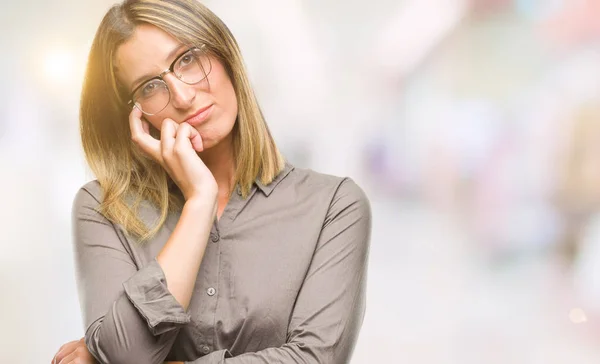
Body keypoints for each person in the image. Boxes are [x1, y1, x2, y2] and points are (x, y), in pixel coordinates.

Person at [51, 0, 372, 363]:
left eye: (188, 59)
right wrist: (199, 201)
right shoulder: (103, 207)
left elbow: (315, 360)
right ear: (136, 117)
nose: (184, 97)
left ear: (223, 51)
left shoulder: (334, 206)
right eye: (150, 86)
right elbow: (127, 355)